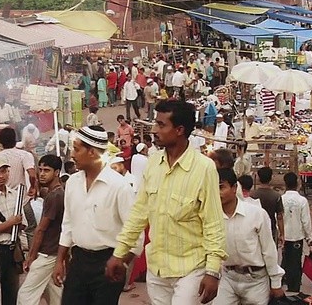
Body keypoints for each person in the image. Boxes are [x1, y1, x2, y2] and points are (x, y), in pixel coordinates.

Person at [107, 100, 227, 305]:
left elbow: (214, 223)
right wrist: (119, 253)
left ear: (179, 130)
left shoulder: (204, 168)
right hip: (158, 269)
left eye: (161, 125)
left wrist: (212, 271)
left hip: (191, 269)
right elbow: (138, 214)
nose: (154, 130)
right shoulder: (153, 163)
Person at [52, 126, 143, 304]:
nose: (72, 154)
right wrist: (60, 261)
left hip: (108, 263)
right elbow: (68, 224)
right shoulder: (72, 183)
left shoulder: (119, 186)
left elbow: (136, 233)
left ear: (92, 152)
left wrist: (122, 263)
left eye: (77, 149)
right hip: (78, 262)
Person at [214, 168, 285, 305]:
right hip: (227, 277)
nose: (217, 193)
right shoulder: (212, 217)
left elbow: (269, 250)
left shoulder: (256, 214)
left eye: (221, 187)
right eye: (213, 188)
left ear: (234, 187)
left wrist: (275, 283)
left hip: (256, 280)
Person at [17, 155, 64, 305]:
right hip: (54, 251)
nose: (42, 174)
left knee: (25, 296)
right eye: (41, 170)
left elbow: (40, 230)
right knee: (56, 295)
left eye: (47, 170)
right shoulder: (57, 193)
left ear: (57, 172)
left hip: (47, 253)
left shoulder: (54, 196)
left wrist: (31, 256)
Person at [0, 158, 26, 305]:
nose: (1, 176)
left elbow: (23, 224)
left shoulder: (16, 195)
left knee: (12, 293)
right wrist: (11, 223)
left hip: (12, 249)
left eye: (4, 171)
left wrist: (12, 225)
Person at [281, 172, 312, 293]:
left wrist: (280, 234)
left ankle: (284, 281)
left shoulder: (281, 199)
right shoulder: (302, 200)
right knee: (295, 261)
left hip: (285, 235)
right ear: (297, 183)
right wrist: (309, 236)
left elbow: (278, 217)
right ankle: (294, 286)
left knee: (285, 259)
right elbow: (306, 220)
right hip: (297, 236)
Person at [251, 167, 285, 245]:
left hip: (255, 230)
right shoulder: (276, 196)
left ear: (258, 178)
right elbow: (279, 217)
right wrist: (282, 234)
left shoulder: (252, 195)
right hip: (271, 229)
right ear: (270, 178)